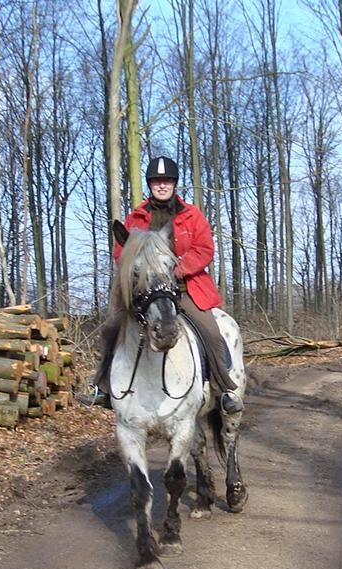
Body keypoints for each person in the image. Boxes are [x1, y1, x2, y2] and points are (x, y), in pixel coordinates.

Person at [79, 156, 242, 413]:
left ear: (174, 184)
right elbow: (122, 253)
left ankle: (224, 390)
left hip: (184, 287)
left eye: (166, 181)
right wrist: (137, 272)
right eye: (157, 181)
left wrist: (179, 269)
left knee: (210, 330)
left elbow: (204, 248)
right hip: (145, 291)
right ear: (150, 184)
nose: (162, 185)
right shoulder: (136, 217)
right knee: (110, 328)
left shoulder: (191, 216)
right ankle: (103, 388)